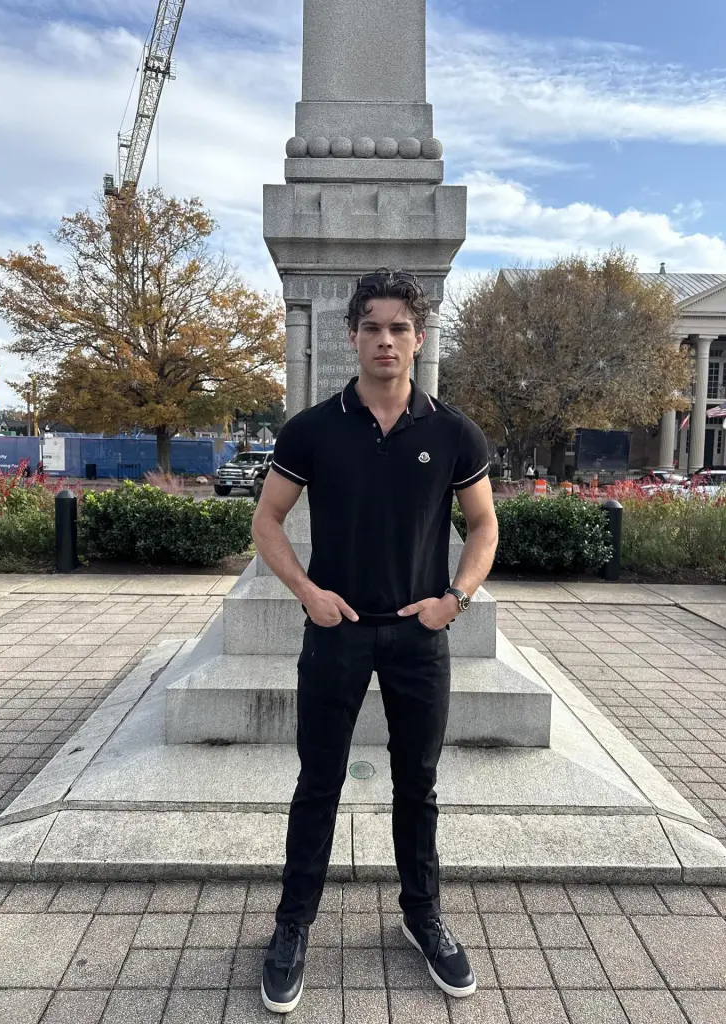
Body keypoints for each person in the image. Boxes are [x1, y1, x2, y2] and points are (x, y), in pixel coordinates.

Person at [252, 269, 499, 1015]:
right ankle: (292, 926)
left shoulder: (454, 431)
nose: (385, 339)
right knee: (317, 782)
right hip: (338, 634)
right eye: (372, 327)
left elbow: (484, 525)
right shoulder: (313, 428)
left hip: (418, 637)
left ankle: (422, 916)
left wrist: (454, 600)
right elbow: (267, 521)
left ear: (419, 339)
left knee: (416, 784)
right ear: (353, 337)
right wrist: (308, 593)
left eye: (399, 327)